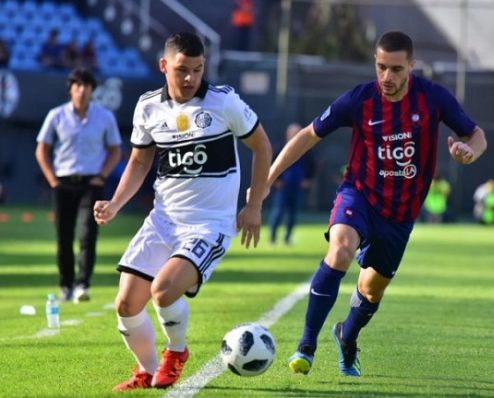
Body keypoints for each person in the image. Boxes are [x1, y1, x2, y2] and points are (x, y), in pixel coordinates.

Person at [263, 31, 487, 377]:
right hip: (359, 194)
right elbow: (308, 135)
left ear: (411, 66)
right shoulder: (359, 100)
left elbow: (476, 134)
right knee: (339, 251)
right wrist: (266, 179)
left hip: (400, 214)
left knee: (371, 289)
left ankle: (346, 336)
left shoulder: (434, 98)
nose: (387, 77)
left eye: (396, 69)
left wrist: (470, 151)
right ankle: (306, 346)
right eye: (381, 67)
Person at [93, 32, 271, 391]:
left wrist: (254, 206)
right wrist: (115, 203)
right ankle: (146, 370)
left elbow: (263, 147)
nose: (191, 78)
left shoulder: (224, 103)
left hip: (209, 226)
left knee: (164, 290)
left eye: (198, 69)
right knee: (126, 304)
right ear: (164, 66)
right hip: (163, 220)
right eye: (182, 70)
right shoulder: (147, 107)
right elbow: (140, 162)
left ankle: (177, 352)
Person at [35, 67, 122, 302]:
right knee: (63, 236)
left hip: (91, 184)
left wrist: (102, 176)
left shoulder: (105, 116)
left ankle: (82, 284)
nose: (82, 91)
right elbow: (41, 148)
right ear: (70, 90)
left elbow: (115, 150)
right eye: (77, 86)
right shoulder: (56, 115)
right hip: (62, 182)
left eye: (86, 86)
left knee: (87, 234)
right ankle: (66, 285)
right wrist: (51, 178)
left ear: (93, 89)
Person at [269, 122, 316, 245]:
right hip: (283, 187)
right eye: (293, 133)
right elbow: (271, 165)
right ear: (288, 134)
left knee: (292, 214)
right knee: (278, 212)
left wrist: (307, 180)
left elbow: (313, 167)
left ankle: (287, 238)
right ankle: (272, 238)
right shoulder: (280, 148)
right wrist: (276, 181)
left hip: (297, 188)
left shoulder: (306, 150)